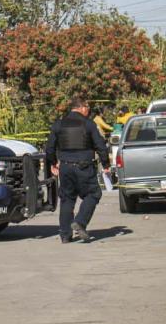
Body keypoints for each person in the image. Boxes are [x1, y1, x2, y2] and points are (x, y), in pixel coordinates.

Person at [46, 97, 110, 243]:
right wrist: (106, 165)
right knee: (94, 194)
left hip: (66, 167)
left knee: (67, 199)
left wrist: (53, 163)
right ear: (81, 107)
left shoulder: (59, 124)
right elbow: (101, 146)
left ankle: (65, 234)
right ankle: (80, 222)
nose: (89, 111)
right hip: (84, 167)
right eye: (88, 107)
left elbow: (49, 148)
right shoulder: (89, 124)